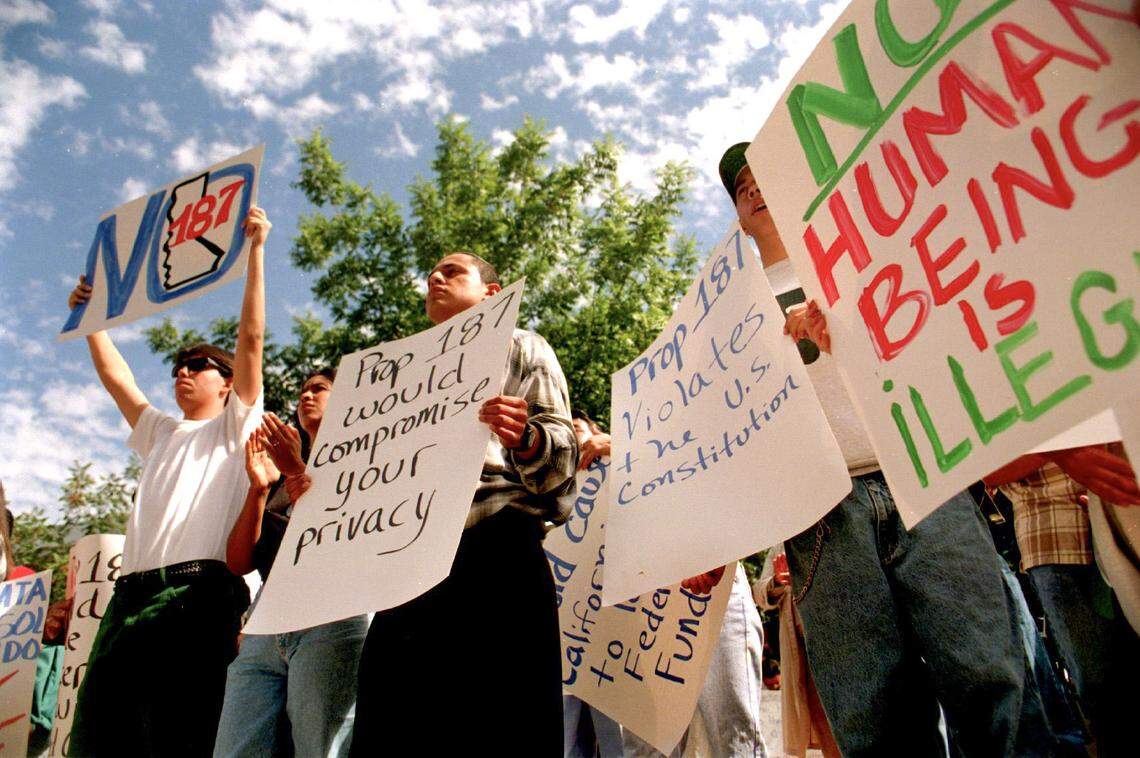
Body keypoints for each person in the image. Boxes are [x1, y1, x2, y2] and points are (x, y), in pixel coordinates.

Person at [718, 143, 1051, 757]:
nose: (755, 188)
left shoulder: (867, 257)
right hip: (821, 512)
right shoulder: (726, 312)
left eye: (766, 176)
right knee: (871, 707)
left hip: (923, 475)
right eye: (741, 186)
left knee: (990, 674)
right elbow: (727, 425)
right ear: (739, 216)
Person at [350, 252, 578, 757]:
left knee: (499, 727)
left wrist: (527, 439)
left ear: (492, 294)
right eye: (431, 272)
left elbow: (562, 474)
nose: (434, 277)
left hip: (495, 557)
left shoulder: (521, 347)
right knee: (392, 727)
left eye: (452, 271)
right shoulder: (394, 382)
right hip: (406, 567)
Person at [67, 207, 270, 755]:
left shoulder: (237, 425)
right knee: (101, 738)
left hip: (197, 594)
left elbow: (251, 338)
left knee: (182, 734)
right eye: (178, 366)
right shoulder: (158, 430)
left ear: (227, 385)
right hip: (128, 596)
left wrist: (255, 250)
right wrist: (91, 322)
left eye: (199, 365)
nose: (183, 372)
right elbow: (117, 377)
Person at [572, 410, 768, 758]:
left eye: (583, 436)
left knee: (733, 734)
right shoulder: (581, 487)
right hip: (643, 615)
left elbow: (718, 466)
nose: (581, 446)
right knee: (646, 744)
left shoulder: (652, 441)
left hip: (712, 599)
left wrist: (621, 448)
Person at [213, 368, 367, 758]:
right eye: (303, 391)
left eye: (320, 388)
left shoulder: (367, 459)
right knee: (237, 746)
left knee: (322, 745)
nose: (307, 396)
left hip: (334, 612)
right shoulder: (279, 476)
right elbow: (238, 561)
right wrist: (259, 490)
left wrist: (301, 472)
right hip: (268, 622)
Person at [985, 445, 1140, 755]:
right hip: (1056, 533)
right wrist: (1064, 451)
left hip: (1126, 508)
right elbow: (987, 469)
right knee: (1105, 690)